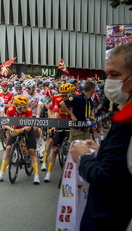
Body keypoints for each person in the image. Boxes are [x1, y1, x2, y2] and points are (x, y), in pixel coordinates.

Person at [70, 42, 132, 231]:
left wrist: (83, 157)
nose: (109, 81)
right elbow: (123, 165)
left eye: (115, 75)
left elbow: (108, 179)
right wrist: (101, 151)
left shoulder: (127, 122)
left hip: (109, 220)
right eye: (107, 75)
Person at [0, 95, 40, 184]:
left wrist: (20, 130)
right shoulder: (11, 110)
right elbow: (5, 123)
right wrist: (11, 129)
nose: (26, 108)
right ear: (18, 106)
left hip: (26, 130)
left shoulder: (28, 111)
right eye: (24, 106)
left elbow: (29, 127)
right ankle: (1, 174)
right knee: (8, 149)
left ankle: (36, 175)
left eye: (27, 105)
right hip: (15, 129)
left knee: (32, 151)